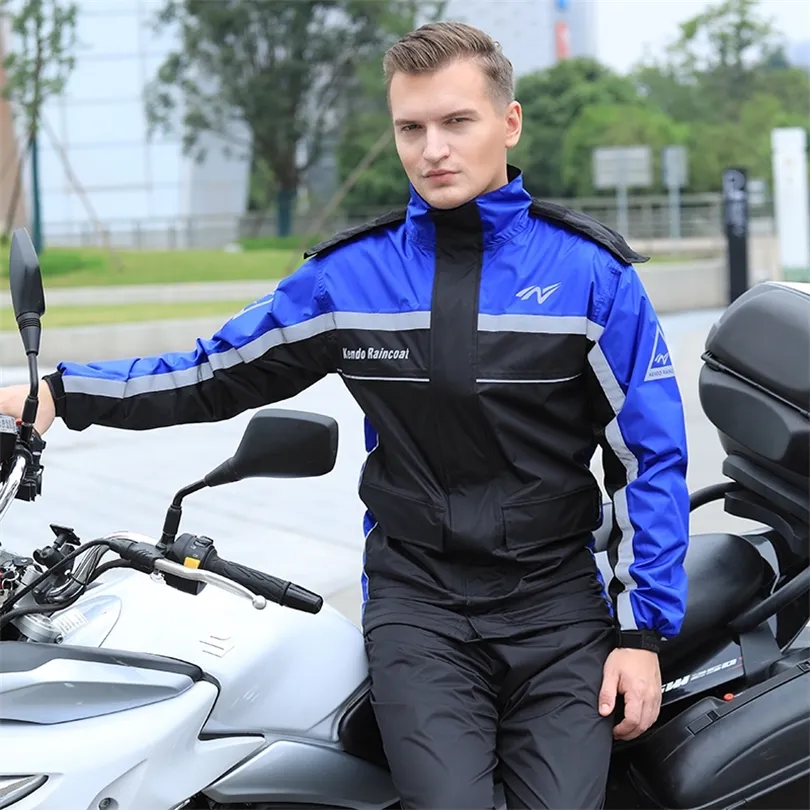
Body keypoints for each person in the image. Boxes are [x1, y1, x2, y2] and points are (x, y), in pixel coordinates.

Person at [0, 21, 689, 810]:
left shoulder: (590, 277)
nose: (433, 148)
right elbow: (213, 373)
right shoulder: (351, 277)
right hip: (422, 608)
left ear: (509, 122)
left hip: (559, 606)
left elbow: (648, 459)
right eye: (411, 127)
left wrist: (641, 635)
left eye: (456, 122)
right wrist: (61, 393)